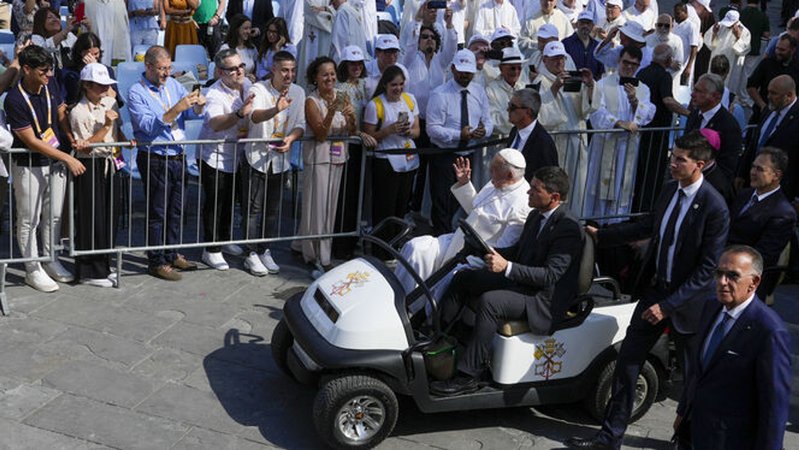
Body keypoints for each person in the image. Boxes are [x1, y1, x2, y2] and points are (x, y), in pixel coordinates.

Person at [567, 132, 729, 450]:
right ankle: (609, 436)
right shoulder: (669, 191)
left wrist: (668, 307)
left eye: (680, 159)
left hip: (689, 304)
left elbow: (707, 270)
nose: (672, 163)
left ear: (700, 164)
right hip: (657, 290)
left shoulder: (714, 207)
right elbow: (647, 227)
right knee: (628, 361)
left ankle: (692, 440)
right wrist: (602, 236)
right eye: (672, 156)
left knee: (694, 377)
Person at [430, 166, 583, 396]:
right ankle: (440, 341)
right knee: (464, 278)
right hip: (524, 284)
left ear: (554, 198)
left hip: (542, 299)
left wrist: (507, 267)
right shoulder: (535, 215)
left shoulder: (567, 228)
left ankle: (468, 375)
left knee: (491, 301)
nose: (528, 193)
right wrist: (489, 251)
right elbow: (518, 251)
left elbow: (550, 276)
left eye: (535, 189)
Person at [673, 246, 790, 450]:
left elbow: (774, 407)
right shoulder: (711, 307)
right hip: (694, 430)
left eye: (733, 276)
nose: (722, 282)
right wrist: (683, 412)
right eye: (719, 273)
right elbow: (698, 370)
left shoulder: (769, 331)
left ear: (754, 282)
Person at [6, 45, 87, 292]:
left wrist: (70, 136)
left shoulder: (49, 84)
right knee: (29, 218)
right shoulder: (15, 99)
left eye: (50, 69)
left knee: (53, 214)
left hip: (55, 161)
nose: (49, 75)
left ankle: (51, 259)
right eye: (43, 70)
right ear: (27, 69)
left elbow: (60, 111)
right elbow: (31, 141)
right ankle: (32, 268)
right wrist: (68, 157)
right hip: (29, 164)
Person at [395, 149, 531, 295]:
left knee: (447, 281)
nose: (490, 174)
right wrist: (465, 183)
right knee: (415, 248)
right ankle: (399, 299)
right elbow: (475, 211)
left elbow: (502, 251)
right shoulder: (497, 182)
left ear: (509, 175)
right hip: (456, 240)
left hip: (475, 257)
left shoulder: (523, 203)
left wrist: (473, 258)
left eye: (493, 170)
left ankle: (420, 311)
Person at [127, 45, 205, 280]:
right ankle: (156, 260)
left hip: (178, 154)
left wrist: (197, 105)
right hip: (155, 156)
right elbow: (148, 126)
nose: (167, 73)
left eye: (169, 68)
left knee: (176, 209)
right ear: (148, 66)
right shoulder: (136, 92)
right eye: (162, 69)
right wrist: (175, 109)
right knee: (157, 211)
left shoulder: (174, 84)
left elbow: (190, 115)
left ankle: (172, 252)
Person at [295, 56, 363, 273]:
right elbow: (321, 134)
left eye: (332, 74)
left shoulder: (341, 96)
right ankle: (315, 254)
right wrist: (333, 110)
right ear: (315, 77)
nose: (330, 78)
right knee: (317, 208)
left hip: (338, 158)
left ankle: (311, 246)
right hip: (318, 159)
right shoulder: (311, 101)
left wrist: (352, 118)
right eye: (325, 74)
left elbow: (352, 131)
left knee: (330, 209)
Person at [244, 50, 306, 275]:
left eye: (292, 70)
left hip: (281, 158)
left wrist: (291, 138)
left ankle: (265, 249)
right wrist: (275, 110)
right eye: (284, 71)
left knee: (273, 208)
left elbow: (300, 123)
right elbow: (254, 117)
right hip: (256, 156)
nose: (289, 75)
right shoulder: (258, 89)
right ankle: (250, 252)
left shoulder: (298, 92)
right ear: (273, 70)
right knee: (253, 208)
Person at [68, 63, 126, 288]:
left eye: (106, 85)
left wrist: (124, 139)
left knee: (109, 215)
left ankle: (105, 264)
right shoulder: (78, 111)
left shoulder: (110, 102)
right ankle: (89, 269)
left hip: (110, 161)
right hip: (89, 164)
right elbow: (84, 146)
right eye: (99, 85)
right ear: (86, 85)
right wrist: (107, 126)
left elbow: (116, 130)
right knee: (91, 217)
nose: (104, 89)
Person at [426, 49, 494, 235]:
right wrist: (458, 135)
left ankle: (453, 238)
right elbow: (432, 128)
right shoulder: (439, 94)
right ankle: (440, 238)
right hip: (444, 155)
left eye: (469, 71)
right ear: (453, 68)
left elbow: (488, 120)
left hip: (469, 154)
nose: (465, 75)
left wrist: (483, 132)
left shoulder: (479, 92)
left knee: (461, 200)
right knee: (442, 201)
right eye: (462, 70)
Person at [584, 45, 655, 220]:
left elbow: (649, 112)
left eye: (634, 64)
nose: (629, 67)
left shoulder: (643, 88)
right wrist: (616, 122)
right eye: (626, 62)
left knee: (622, 186)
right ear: (618, 61)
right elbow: (596, 111)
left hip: (627, 146)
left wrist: (635, 102)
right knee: (601, 185)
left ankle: (618, 222)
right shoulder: (602, 84)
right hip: (605, 144)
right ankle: (597, 222)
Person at [196, 49, 251, 272]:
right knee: (215, 202)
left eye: (241, 66)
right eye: (232, 69)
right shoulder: (214, 94)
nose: (238, 71)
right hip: (214, 155)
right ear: (220, 72)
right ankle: (211, 248)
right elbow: (216, 123)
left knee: (230, 199)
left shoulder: (247, 85)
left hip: (236, 154)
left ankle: (225, 238)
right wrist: (239, 115)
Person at [402, 11, 458, 215]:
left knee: (428, 168)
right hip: (413, 123)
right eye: (425, 37)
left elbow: (451, 49)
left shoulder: (441, 62)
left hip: (434, 123)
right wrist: (417, 20)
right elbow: (408, 43)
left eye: (433, 38)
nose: (429, 40)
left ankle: (421, 210)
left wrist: (449, 25)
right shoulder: (410, 59)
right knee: (411, 166)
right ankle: (407, 208)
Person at [363, 66, 420, 259]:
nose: (398, 88)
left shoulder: (410, 100)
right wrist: (388, 130)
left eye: (401, 84)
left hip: (408, 159)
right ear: (385, 85)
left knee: (401, 205)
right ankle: (381, 250)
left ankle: (396, 245)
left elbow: (417, 130)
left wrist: (407, 132)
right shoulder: (375, 105)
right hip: (386, 161)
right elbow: (369, 136)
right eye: (393, 85)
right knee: (384, 207)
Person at [534, 41, 594, 214]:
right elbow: (540, 115)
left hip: (576, 139)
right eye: (554, 59)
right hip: (555, 142)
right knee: (556, 188)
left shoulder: (572, 78)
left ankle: (576, 222)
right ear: (545, 60)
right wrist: (554, 88)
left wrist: (589, 85)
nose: (559, 63)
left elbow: (586, 109)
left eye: (561, 58)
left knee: (577, 186)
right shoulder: (539, 81)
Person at [728, 148, 797, 298]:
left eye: (760, 169)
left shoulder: (783, 213)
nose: (752, 172)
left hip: (743, 277)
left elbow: (762, 256)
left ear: (776, 175)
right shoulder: (744, 195)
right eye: (753, 167)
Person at [634, 44, 691, 211]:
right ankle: (648, 208)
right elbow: (667, 100)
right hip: (656, 133)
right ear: (668, 60)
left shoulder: (642, 72)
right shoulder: (664, 76)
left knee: (642, 171)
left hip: (643, 130)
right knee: (654, 173)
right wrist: (688, 113)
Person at [738, 75, 799, 202]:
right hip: (753, 183)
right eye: (768, 92)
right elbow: (754, 143)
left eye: (774, 93)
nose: (768, 96)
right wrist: (741, 173)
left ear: (789, 95)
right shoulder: (770, 109)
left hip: (780, 191)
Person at [684, 73, 742, 179]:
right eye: (694, 89)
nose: (692, 94)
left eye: (699, 91)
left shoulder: (729, 125)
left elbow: (727, 166)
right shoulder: (694, 115)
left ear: (715, 96)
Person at [746, 34, 799, 124]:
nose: (778, 52)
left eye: (782, 50)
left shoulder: (797, 68)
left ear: (792, 50)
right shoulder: (767, 63)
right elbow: (751, 86)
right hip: (761, 116)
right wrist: (763, 106)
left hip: (787, 118)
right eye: (777, 48)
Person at [507, 88, 558, 180]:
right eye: (509, 105)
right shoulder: (514, 132)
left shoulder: (543, 142)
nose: (508, 110)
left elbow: (549, 179)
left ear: (528, 112)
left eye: (512, 107)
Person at [60, 33, 121, 107]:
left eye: (96, 54)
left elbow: (112, 97)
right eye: (89, 54)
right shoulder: (67, 73)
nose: (93, 57)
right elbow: (63, 102)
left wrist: (96, 69)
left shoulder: (107, 70)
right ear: (80, 53)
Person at [703, 10, 751, 102]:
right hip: (717, 62)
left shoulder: (745, 32)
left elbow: (743, 50)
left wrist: (738, 37)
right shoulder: (719, 26)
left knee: (728, 88)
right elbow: (711, 45)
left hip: (732, 65)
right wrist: (714, 34)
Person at [486, 47, 527, 135]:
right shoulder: (490, 90)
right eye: (512, 68)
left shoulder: (524, 87)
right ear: (501, 68)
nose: (516, 72)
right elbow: (492, 120)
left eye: (519, 68)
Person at [296, 0, 333, 85]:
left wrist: (326, 9)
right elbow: (312, 12)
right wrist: (332, 17)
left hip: (327, 37)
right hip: (312, 34)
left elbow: (337, 9)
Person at [84, 0, 131, 65]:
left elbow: (125, 30)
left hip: (116, 45)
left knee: (116, 67)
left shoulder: (119, 3)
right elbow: (83, 30)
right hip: (97, 42)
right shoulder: (87, 3)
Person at [645, 14, 685, 90]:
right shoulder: (647, 40)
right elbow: (645, 61)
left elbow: (678, 65)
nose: (663, 28)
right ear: (655, 25)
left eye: (666, 26)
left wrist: (665, 79)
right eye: (660, 25)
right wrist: (668, 63)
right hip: (650, 80)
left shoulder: (677, 41)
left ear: (672, 27)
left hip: (670, 80)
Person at [562, 10, 604, 80]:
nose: (585, 26)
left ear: (592, 26)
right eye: (582, 23)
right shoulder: (566, 43)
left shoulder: (597, 46)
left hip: (591, 87)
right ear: (577, 24)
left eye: (588, 23)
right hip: (571, 86)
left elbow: (600, 71)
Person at [219, 14, 258, 80]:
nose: (249, 31)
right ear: (237, 29)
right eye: (245, 28)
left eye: (250, 28)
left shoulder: (252, 48)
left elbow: (257, 70)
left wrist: (253, 76)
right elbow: (219, 73)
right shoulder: (226, 48)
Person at [673, 2, 701, 86]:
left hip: (684, 65)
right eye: (674, 13)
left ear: (685, 13)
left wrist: (689, 67)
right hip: (674, 64)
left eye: (678, 13)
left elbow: (694, 47)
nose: (675, 15)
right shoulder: (675, 23)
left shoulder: (691, 26)